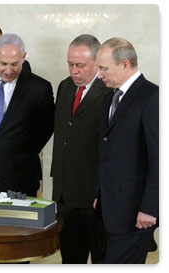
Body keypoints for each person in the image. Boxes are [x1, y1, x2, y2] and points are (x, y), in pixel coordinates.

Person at [95, 37, 159, 263]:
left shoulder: (153, 97)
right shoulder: (109, 96)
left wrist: (151, 208)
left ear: (125, 64)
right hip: (108, 210)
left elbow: (160, 159)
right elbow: (105, 150)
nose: (99, 75)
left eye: (103, 68)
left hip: (135, 213)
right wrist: (98, 194)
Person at [0, 33, 54, 197]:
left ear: (24, 57)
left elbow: (46, 127)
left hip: (21, 172)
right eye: (3, 64)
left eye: (14, 64)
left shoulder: (39, 88)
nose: (8, 70)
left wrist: (20, 148)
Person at [50, 34, 110, 264]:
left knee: (101, 258)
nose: (74, 71)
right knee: (70, 259)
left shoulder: (109, 91)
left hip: (95, 196)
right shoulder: (65, 87)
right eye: (70, 64)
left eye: (80, 65)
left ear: (97, 62)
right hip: (65, 194)